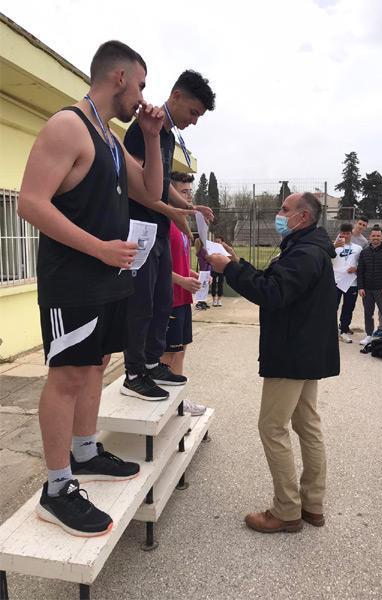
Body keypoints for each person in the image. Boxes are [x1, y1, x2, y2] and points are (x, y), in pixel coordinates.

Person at [18, 41, 169, 536]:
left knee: (96, 366)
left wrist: (151, 138)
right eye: (141, 85)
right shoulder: (68, 126)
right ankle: (56, 488)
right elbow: (30, 203)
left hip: (109, 280)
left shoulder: (109, 136)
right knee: (67, 376)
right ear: (119, 77)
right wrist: (99, 249)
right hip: (73, 283)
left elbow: (150, 191)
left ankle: (84, 453)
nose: (142, 96)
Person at [208, 193, 339, 534]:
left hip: (292, 353)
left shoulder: (305, 253)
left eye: (285, 209)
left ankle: (287, 510)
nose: (280, 214)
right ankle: (312, 504)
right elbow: (273, 281)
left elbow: (272, 293)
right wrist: (237, 263)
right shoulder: (306, 248)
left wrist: (229, 269)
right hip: (306, 351)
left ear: (303, 216)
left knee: (272, 427)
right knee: (307, 424)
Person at [120, 70, 215, 401]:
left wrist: (188, 207)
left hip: (159, 230)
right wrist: (170, 211)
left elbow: (160, 185)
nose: (194, 121)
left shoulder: (167, 137)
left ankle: (151, 362)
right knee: (140, 304)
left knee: (162, 301)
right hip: (139, 229)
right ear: (176, 96)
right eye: (193, 112)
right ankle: (134, 373)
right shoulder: (143, 130)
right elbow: (135, 184)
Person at [160, 172, 206, 415]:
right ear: (171, 194)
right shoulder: (164, 224)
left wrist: (189, 273)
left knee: (180, 352)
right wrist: (180, 280)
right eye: (183, 192)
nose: (189, 197)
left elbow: (174, 262)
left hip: (183, 299)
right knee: (167, 356)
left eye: (190, 192)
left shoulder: (181, 224)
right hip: (167, 300)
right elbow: (154, 266)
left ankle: (178, 401)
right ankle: (165, 405)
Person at [357, 228, 382, 345]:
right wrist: (360, 287)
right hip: (367, 289)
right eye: (373, 236)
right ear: (370, 237)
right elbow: (360, 271)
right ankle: (369, 335)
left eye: (378, 236)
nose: (376, 238)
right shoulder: (364, 252)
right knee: (368, 313)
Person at [333, 223, 362, 343]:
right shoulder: (333, 246)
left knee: (348, 307)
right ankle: (331, 329)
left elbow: (363, 263)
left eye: (347, 233)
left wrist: (356, 268)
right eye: (343, 233)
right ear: (340, 233)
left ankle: (343, 330)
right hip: (335, 281)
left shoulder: (358, 248)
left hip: (351, 282)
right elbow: (324, 257)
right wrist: (333, 246)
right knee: (332, 306)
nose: (345, 235)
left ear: (351, 234)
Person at [194, 237, 211, 310]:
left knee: (203, 286)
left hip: (203, 270)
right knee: (204, 287)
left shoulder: (199, 251)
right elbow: (208, 260)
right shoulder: (203, 251)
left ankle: (202, 301)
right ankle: (200, 302)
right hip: (205, 270)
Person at [211, 236, 225, 306]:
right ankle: (214, 300)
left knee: (220, 284)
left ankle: (219, 300)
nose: (217, 243)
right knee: (213, 284)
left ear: (222, 242)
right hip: (214, 269)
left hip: (221, 269)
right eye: (215, 241)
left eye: (218, 241)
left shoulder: (224, 250)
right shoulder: (212, 250)